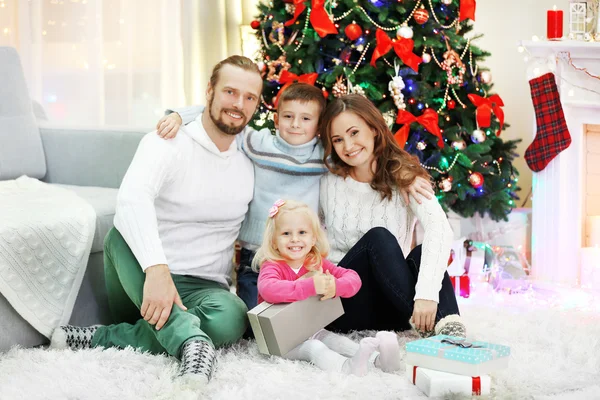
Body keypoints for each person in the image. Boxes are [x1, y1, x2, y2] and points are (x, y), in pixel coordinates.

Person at [50, 55, 263, 387]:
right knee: (119, 237)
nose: (239, 104)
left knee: (232, 317)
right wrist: (156, 268)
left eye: (250, 97)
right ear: (209, 91)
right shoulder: (167, 142)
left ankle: (105, 337)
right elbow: (132, 199)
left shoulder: (251, 158)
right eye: (230, 92)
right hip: (143, 284)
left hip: (204, 290)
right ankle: (193, 343)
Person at [155, 85, 432, 313]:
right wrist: (179, 116)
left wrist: (406, 175)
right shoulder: (257, 143)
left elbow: (369, 158)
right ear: (276, 119)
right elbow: (223, 119)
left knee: (299, 317)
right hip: (258, 255)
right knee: (253, 322)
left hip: (304, 256)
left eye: (306, 119)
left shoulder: (325, 155)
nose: (296, 125)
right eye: (288, 117)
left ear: (319, 126)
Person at [318, 94, 465, 338]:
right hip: (344, 306)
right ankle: (433, 329)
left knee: (420, 254)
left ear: (374, 129)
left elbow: (440, 229)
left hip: (394, 305)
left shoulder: (405, 179)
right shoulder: (328, 183)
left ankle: (451, 335)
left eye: (354, 133)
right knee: (378, 238)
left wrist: (426, 295)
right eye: (338, 140)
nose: (348, 145)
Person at [254, 199, 403, 376]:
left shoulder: (314, 262)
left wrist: (335, 286)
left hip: (309, 329)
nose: (295, 239)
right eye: (286, 233)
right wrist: (310, 286)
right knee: (314, 347)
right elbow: (268, 289)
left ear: (313, 238)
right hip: (281, 340)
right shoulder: (272, 265)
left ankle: (379, 360)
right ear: (273, 240)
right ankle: (346, 367)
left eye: (302, 232)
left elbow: (353, 279)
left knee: (333, 339)